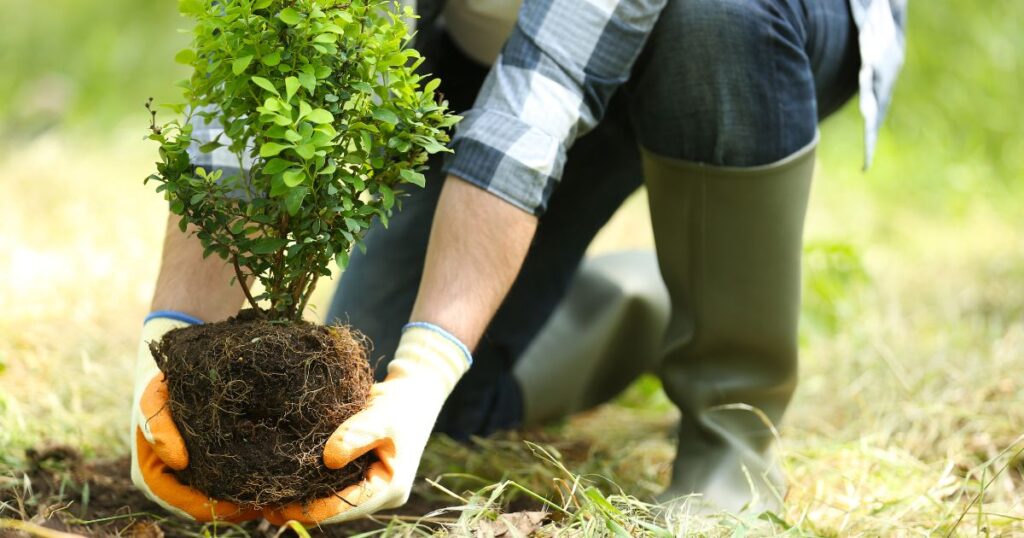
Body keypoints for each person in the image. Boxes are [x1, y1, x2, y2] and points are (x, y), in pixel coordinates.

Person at [130, 0, 907, 524]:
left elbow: (546, 83)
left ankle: (731, 430)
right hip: (479, 37)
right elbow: (281, 32)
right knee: (394, 407)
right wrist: (169, 345)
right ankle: (647, 301)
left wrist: (429, 364)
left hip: (747, 36)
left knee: (714, 18)